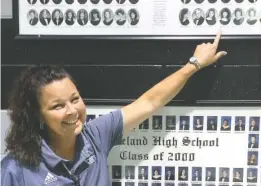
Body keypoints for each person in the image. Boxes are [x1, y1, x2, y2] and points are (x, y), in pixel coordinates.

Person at [1, 31, 226, 185]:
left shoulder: (96, 135)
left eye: (75, 99)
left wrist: (194, 64)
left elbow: (150, 102)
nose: (71, 110)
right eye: (57, 106)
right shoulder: (15, 169)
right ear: (37, 114)